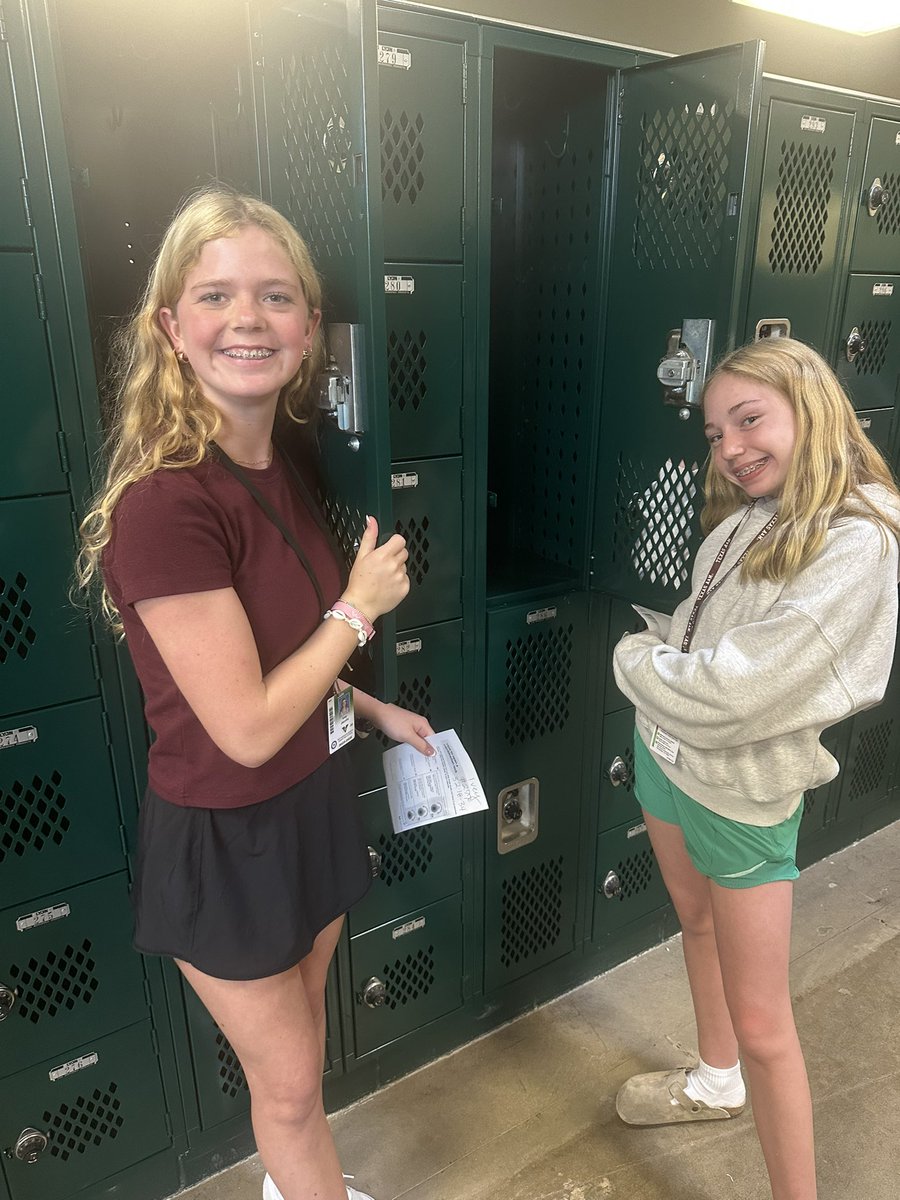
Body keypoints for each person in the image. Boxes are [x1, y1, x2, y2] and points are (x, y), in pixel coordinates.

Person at [77, 188, 436, 1200]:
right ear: (171, 329)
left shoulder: (276, 467)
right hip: (232, 839)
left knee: (304, 1053)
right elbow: (238, 728)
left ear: (309, 329)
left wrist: (371, 711)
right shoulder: (166, 504)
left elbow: (281, 659)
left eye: (275, 296)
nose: (248, 318)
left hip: (310, 803)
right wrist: (361, 611)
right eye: (217, 295)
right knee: (288, 1093)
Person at [612, 337, 900, 1200]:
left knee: (768, 1022)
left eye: (749, 420)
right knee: (693, 926)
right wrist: (668, 660)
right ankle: (713, 1079)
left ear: (810, 408)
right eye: (714, 432)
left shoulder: (861, 538)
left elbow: (737, 693)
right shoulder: (753, 512)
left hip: (738, 793)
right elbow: (708, 643)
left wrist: (632, 658)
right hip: (665, 757)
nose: (731, 448)